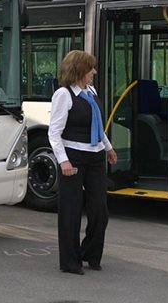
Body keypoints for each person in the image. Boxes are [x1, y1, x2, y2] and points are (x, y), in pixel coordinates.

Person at [48, 50, 118, 275]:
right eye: (91, 69)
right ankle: (70, 262)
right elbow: (54, 133)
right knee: (71, 209)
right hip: (73, 157)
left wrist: (107, 147)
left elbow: (97, 125)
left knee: (100, 209)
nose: (94, 72)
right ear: (79, 70)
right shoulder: (63, 95)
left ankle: (89, 253)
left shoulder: (91, 91)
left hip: (95, 156)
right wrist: (63, 161)